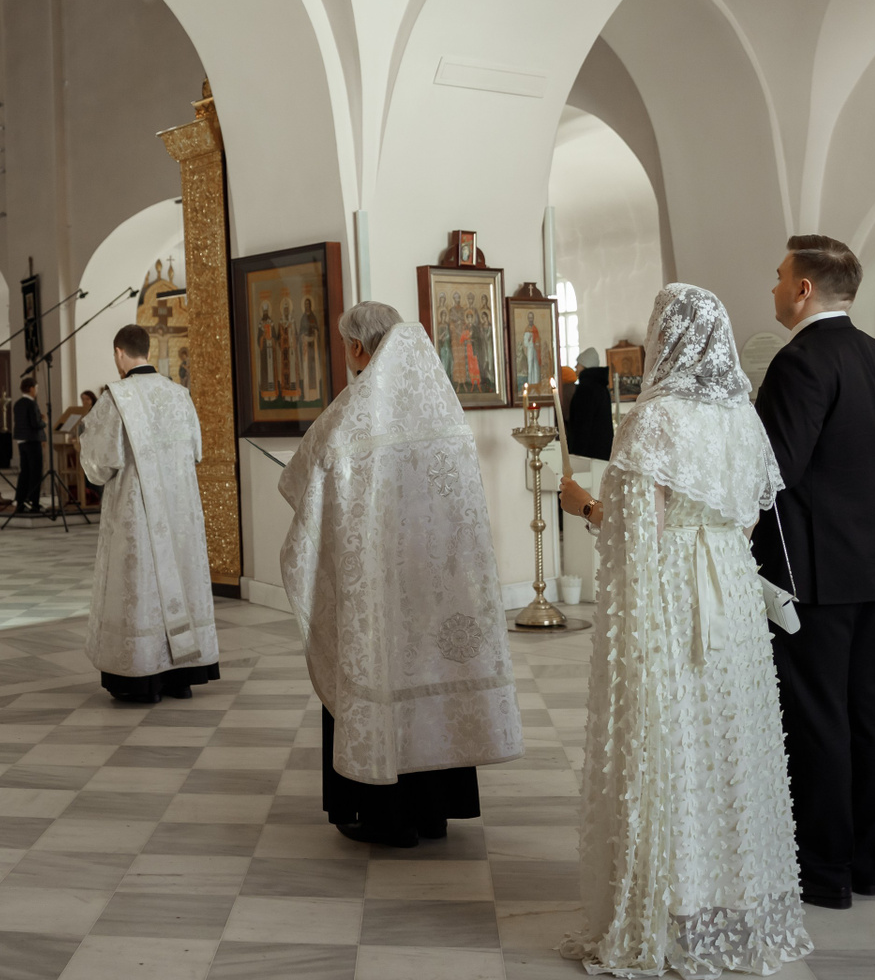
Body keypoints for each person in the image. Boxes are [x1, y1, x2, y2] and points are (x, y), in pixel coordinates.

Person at [558, 285, 810, 976]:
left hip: (671, 597)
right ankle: (728, 896)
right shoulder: (742, 419)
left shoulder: (653, 420)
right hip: (731, 594)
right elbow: (749, 522)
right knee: (727, 737)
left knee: (669, 738)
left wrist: (585, 505)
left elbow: (635, 534)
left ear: (666, 337)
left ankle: (667, 899)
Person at [279, 300, 522, 848]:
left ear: (357, 347)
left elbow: (304, 481)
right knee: (431, 674)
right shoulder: (443, 408)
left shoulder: (351, 411)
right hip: (437, 583)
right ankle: (435, 811)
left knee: (378, 672)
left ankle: (385, 816)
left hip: (377, 588)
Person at [751, 234, 875, 911]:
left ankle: (823, 870)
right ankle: (863, 864)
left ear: (804, 288)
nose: (775, 287)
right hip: (872, 563)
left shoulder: (801, 360)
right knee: (864, 709)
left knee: (817, 717)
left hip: (810, 568)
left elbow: (774, 472)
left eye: (780, 276)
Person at [77, 323, 219, 703]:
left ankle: (143, 681)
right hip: (178, 512)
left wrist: (84, 440)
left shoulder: (116, 398)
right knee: (179, 582)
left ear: (119, 353)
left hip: (136, 515)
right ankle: (181, 678)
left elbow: (100, 465)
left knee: (141, 591)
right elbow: (197, 449)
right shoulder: (180, 395)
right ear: (148, 351)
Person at [564, 345, 614, 460]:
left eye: (578, 363)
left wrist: (576, 452)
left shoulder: (586, 389)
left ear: (585, 365)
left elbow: (582, 424)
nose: (575, 367)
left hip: (588, 453)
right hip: (602, 451)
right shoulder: (601, 387)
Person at [12, 374, 45, 514]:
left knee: (24, 472)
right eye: (36, 388)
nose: (37, 391)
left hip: (21, 441)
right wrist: (44, 421)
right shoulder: (31, 404)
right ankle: (34, 503)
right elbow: (35, 423)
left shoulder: (18, 403)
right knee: (36, 473)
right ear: (31, 388)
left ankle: (20, 502)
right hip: (32, 441)